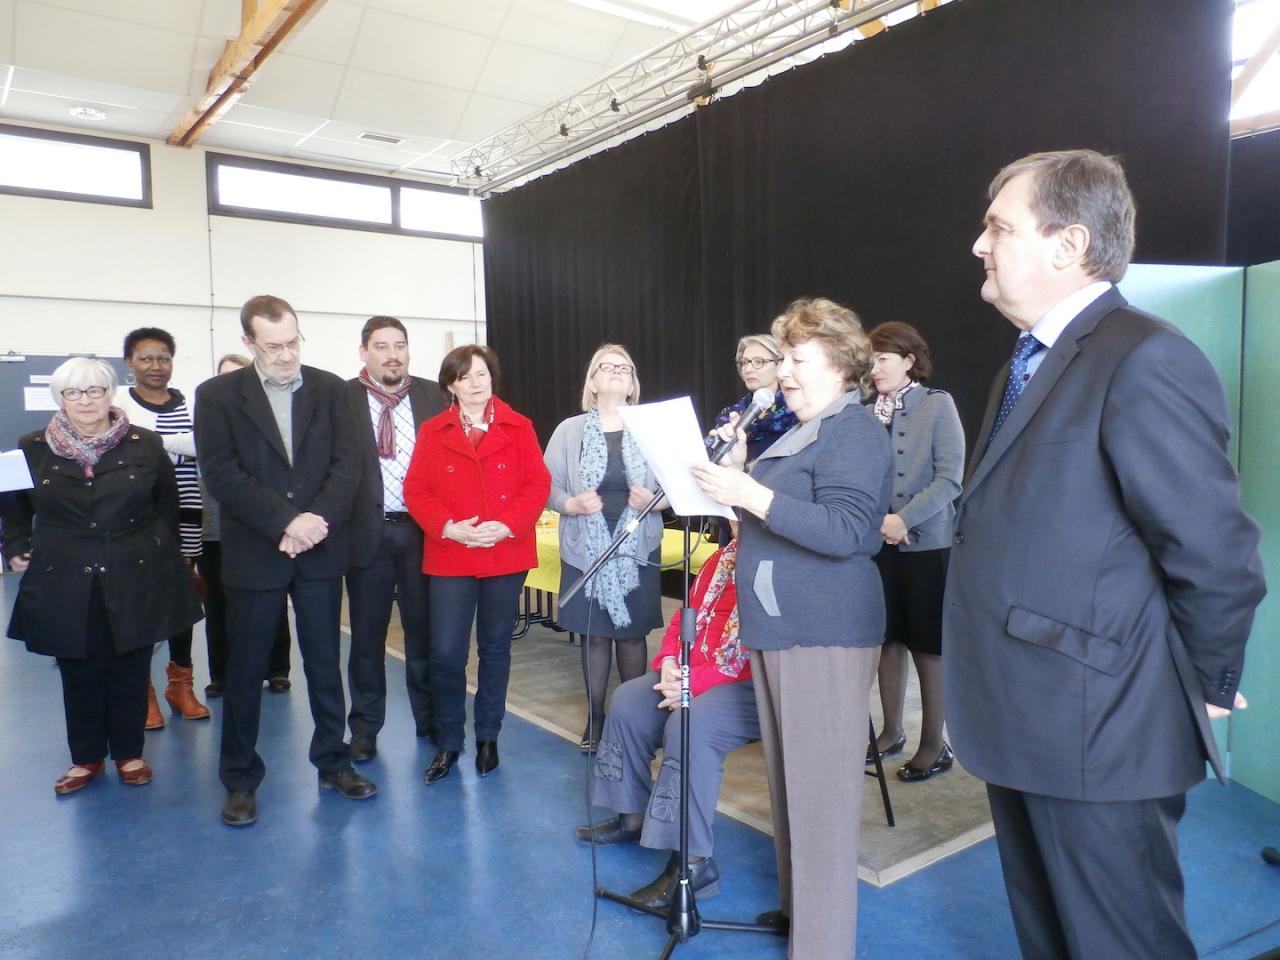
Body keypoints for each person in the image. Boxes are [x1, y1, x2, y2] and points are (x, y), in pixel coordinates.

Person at [949, 150, 1265, 959]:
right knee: (1052, 939)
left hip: (1101, 730)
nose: (980, 246)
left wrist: (1204, 686)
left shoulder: (1145, 357)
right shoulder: (1026, 364)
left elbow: (1216, 554)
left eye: (998, 227)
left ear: (1068, 245)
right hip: (1027, 715)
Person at [693, 297, 892, 959]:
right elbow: (771, 520)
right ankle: (802, 917)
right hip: (783, 632)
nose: (784, 372)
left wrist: (751, 493)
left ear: (840, 364)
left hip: (825, 635)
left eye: (797, 359)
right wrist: (742, 479)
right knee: (792, 792)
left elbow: (850, 531)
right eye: (782, 359)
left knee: (822, 808)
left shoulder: (853, 429)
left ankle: (824, 946)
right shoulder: (800, 433)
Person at [196, 295, 373, 828]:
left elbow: (349, 464)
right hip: (256, 552)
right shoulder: (219, 396)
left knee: (324, 662)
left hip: (319, 548)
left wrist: (315, 520)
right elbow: (223, 474)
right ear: (249, 343)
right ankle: (240, 779)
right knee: (245, 669)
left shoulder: (334, 390)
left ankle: (332, 762)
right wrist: (286, 522)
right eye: (273, 346)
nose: (286, 355)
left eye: (294, 342)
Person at [3, 358, 201, 793]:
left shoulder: (146, 443)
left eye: (94, 390)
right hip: (66, 573)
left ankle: (130, 755)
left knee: (130, 666)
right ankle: (86, 758)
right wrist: (16, 549)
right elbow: (15, 510)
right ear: (60, 399)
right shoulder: (32, 446)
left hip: (135, 570)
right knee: (78, 667)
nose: (85, 400)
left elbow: (166, 506)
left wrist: (162, 558)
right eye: (73, 393)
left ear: (110, 393)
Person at [573, 531, 759, 910]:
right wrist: (672, 663)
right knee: (628, 700)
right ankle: (631, 816)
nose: (735, 524)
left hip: (751, 686)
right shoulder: (720, 559)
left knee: (690, 725)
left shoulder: (774, 566)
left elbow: (757, 653)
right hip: (693, 674)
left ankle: (693, 861)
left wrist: (693, 683)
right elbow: (682, 620)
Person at [403, 345, 550, 784]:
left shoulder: (518, 425)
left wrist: (507, 525)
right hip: (452, 552)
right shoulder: (433, 430)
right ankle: (450, 740)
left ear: (492, 379)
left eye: (482, 374)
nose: (475, 382)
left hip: (505, 551)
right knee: (447, 652)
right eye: (465, 376)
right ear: (451, 384)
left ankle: (488, 736)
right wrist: (449, 528)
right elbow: (417, 490)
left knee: (495, 648)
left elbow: (536, 482)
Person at [544, 344, 666, 752]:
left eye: (624, 368)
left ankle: (632, 724)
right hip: (586, 550)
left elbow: (674, 490)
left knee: (631, 637)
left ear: (632, 384)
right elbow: (549, 487)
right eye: (606, 367)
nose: (616, 372)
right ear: (592, 382)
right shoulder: (569, 431)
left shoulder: (650, 430)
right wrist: (570, 504)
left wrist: (653, 500)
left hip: (636, 548)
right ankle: (596, 719)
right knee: (595, 636)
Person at [866, 321, 964, 781]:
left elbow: (950, 478)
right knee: (887, 641)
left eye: (883, 358)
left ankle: (933, 744)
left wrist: (904, 519)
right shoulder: (867, 412)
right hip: (877, 544)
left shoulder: (937, 405)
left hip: (927, 544)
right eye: (871, 359)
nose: (874, 367)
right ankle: (891, 732)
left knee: (928, 647)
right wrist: (879, 523)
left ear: (908, 360)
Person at [344, 316, 445, 761]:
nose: (392, 355)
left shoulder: (433, 395)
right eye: (381, 346)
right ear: (364, 352)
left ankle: (430, 720)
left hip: (422, 532)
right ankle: (365, 729)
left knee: (425, 634)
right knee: (367, 638)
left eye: (399, 345)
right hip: (367, 533)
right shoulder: (342, 399)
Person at [117, 327, 210, 727]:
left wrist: (160, 442)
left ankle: (181, 685)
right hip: (135, 522)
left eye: (164, 358)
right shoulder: (119, 406)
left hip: (187, 518)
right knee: (139, 606)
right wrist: (176, 443)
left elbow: (205, 447)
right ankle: (144, 692)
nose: (156, 366)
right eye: (146, 358)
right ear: (129, 363)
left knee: (181, 602)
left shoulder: (190, 405)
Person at [197, 353, 292, 699]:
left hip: (266, 528)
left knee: (275, 604)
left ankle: (277, 669)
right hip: (217, 531)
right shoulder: (212, 411)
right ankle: (221, 673)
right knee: (218, 606)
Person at [712, 333, 797, 463]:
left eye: (759, 362)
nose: (748, 369)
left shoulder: (797, 412)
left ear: (779, 365)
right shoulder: (729, 417)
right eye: (744, 363)